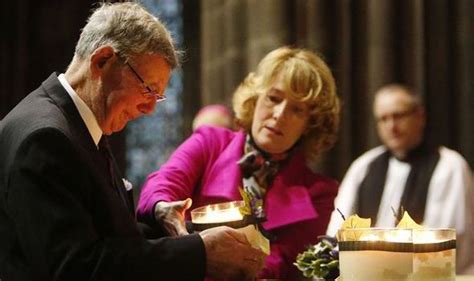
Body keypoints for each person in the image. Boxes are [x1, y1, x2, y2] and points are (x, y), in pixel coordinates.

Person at [0, 3, 265, 281]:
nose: (150, 109)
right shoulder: (46, 138)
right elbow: (75, 268)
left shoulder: (75, 124)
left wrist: (163, 223)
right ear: (102, 60)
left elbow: (103, 235)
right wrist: (197, 253)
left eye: (157, 97)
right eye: (148, 89)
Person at [137, 47, 341, 280]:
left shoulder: (320, 193)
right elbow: (165, 182)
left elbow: (284, 264)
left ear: (310, 124)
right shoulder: (210, 142)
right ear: (256, 99)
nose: (279, 114)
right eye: (273, 98)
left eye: (297, 109)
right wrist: (163, 207)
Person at [326, 84, 474, 272]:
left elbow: (444, 241)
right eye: (383, 119)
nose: (391, 126)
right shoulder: (364, 166)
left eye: (398, 116)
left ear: (420, 116)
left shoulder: (448, 166)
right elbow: (339, 228)